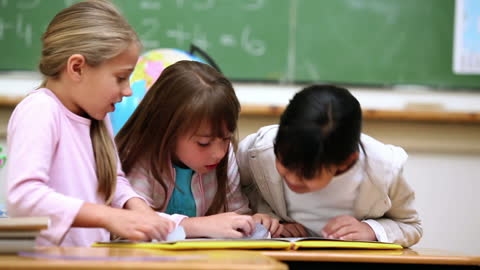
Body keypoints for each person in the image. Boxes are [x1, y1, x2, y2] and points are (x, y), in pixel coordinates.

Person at [6, 0, 176, 247]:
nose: (128, 90)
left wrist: (137, 208)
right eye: (120, 78)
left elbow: (112, 181)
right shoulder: (41, 110)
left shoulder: (97, 117)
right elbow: (24, 197)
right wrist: (108, 217)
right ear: (77, 68)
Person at [237, 84, 422, 247]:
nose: (291, 178)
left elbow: (411, 225)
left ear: (346, 162)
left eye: (307, 174)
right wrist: (264, 221)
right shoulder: (258, 150)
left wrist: (370, 230)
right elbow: (229, 199)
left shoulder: (384, 170)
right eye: (284, 163)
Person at [115, 60, 282, 238]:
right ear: (166, 130)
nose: (219, 153)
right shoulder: (138, 155)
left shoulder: (225, 156)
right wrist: (195, 226)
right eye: (203, 143)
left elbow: (235, 215)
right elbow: (132, 223)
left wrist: (254, 222)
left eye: (226, 138)